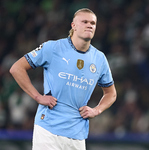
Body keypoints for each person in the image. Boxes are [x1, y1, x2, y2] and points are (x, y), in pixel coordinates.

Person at [9, 8, 117, 150]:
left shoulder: (100, 59)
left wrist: (97, 110)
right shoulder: (53, 48)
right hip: (48, 130)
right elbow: (17, 68)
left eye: (93, 23)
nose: (89, 25)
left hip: (77, 134)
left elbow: (111, 93)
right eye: (84, 22)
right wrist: (38, 97)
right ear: (74, 26)